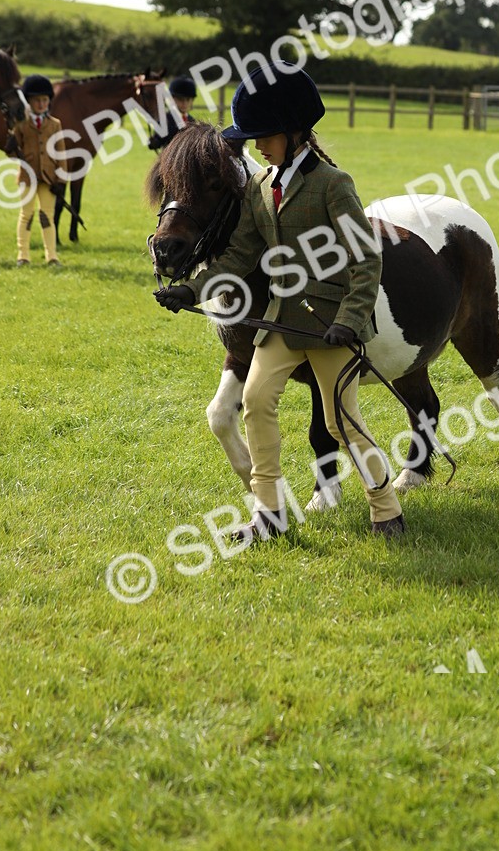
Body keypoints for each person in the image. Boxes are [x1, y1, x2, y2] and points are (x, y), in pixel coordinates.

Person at [154, 63, 406, 542]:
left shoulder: (334, 184)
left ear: (294, 133)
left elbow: (366, 260)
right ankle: (268, 514)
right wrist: (194, 289)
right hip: (280, 321)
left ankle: (386, 510)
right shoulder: (259, 186)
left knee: (342, 423)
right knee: (254, 403)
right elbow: (240, 254)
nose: (255, 146)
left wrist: (350, 320)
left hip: (330, 325)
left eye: (263, 136)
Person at [10, 74, 67, 268]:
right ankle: (23, 255)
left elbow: (61, 154)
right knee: (26, 215)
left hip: (48, 179)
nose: (42, 104)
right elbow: (13, 154)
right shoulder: (20, 124)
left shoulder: (55, 124)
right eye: (37, 100)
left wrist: (61, 180)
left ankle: (52, 256)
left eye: (45, 100)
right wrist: (10, 147)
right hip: (27, 178)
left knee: (47, 216)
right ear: (29, 101)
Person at [147, 75, 198, 151]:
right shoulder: (165, 119)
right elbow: (159, 140)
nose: (185, 103)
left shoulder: (192, 121)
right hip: (169, 156)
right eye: (180, 99)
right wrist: (153, 142)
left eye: (188, 100)